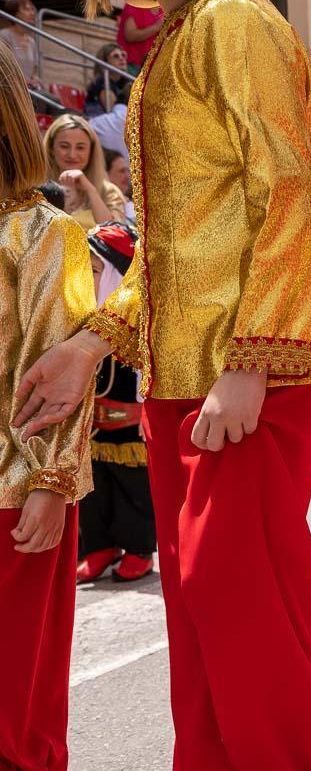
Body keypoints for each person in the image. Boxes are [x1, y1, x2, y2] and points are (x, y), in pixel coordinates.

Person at [16, 0, 311, 768]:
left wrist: (253, 357)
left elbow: (291, 187)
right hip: (186, 371)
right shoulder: (183, 33)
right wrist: (91, 345)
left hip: (253, 364)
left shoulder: (233, 16)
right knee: (202, 608)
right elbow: (173, 240)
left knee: (232, 592)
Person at [0, 40, 95, 770]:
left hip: (14, 492)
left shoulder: (44, 233)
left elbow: (59, 371)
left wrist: (51, 482)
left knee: (16, 701)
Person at [76, 221, 155, 583]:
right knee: (93, 486)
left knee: (132, 487)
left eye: (94, 271)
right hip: (91, 425)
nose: (87, 279)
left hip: (128, 423)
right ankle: (99, 546)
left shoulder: (139, 322)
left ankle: (138, 549)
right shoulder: (81, 316)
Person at [43, 114, 128, 229]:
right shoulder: (37, 189)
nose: (72, 155)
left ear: (91, 151)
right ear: (51, 148)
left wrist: (91, 191)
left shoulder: (109, 192)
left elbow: (114, 232)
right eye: (64, 146)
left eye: (80, 148)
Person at [0, 0, 43, 91]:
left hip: (28, 89)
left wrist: (34, 80)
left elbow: (34, 73)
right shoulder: (4, 35)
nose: (32, 13)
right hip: (10, 88)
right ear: (16, 13)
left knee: (51, 98)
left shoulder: (31, 41)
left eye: (32, 9)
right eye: (27, 9)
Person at [84, 43, 132, 116]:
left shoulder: (124, 81)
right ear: (105, 62)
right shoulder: (102, 81)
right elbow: (112, 111)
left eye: (123, 55)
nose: (121, 58)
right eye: (115, 56)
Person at [115, 3, 163, 72]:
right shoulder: (134, 4)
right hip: (130, 65)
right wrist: (156, 27)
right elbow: (130, 36)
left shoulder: (163, 9)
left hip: (150, 67)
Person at [103, 149, 136, 223]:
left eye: (128, 171)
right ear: (105, 175)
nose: (128, 176)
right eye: (122, 171)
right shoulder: (96, 207)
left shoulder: (132, 207)